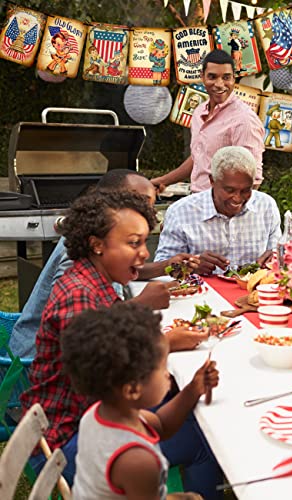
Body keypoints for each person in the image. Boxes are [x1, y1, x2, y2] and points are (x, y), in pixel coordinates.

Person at [20, 190, 221, 495]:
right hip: (68, 442)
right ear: (97, 245)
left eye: (144, 242)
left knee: (191, 416)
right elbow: (114, 370)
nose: (144, 253)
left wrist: (189, 387)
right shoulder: (78, 294)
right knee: (205, 439)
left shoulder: (93, 280)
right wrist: (164, 344)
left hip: (86, 420)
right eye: (134, 243)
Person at [9, 169, 200, 358]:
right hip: (31, 358)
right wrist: (141, 308)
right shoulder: (77, 281)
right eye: (134, 243)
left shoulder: (100, 257)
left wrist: (164, 267)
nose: (145, 253)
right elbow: (82, 342)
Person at [63, 302, 218, 499]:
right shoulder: (138, 461)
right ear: (133, 389)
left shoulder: (97, 415)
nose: (167, 376)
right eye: (163, 368)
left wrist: (193, 389)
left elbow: (160, 424)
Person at [151, 49, 265, 193]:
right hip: (195, 201)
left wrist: (223, 209)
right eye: (212, 77)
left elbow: (252, 180)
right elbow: (199, 158)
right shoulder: (199, 112)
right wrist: (162, 181)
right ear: (202, 77)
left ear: (234, 79)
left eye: (226, 77)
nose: (219, 84)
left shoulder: (244, 120)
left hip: (223, 211)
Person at [155, 146, 281, 275]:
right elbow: (162, 266)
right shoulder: (180, 212)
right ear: (212, 181)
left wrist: (276, 259)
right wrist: (190, 266)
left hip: (254, 293)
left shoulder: (266, 206)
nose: (237, 198)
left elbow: (277, 253)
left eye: (245, 190)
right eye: (229, 190)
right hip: (201, 294)